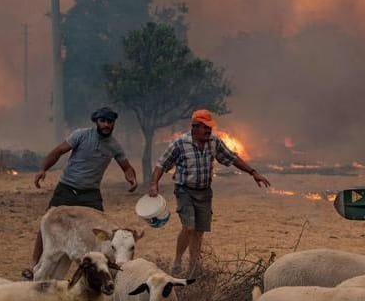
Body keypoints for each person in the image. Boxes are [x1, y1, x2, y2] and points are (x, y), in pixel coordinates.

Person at [148, 109, 271, 275]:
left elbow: (232, 158)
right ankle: (177, 261)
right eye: (205, 127)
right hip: (185, 190)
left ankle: (193, 269)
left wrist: (253, 172)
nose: (208, 131)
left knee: (199, 231)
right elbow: (162, 164)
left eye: (210, 128)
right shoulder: (180, 144)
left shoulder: (214, 142)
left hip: (205, 192)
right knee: (189, 227)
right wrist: (154, 183)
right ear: (195, 127)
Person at [28, 106, 138, 273]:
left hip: (90, 193)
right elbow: (58, 151)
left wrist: (132, 178)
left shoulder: (114, 146)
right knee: (50, 223)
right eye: (103, 121)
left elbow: (127, 167)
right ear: (96, 122)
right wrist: (43, 169)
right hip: (67, 188)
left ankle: (96, 270)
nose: (106, 125)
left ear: (114, 124)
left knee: (101, 231)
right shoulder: (80, 135)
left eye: (110, 122)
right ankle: (34, 263)